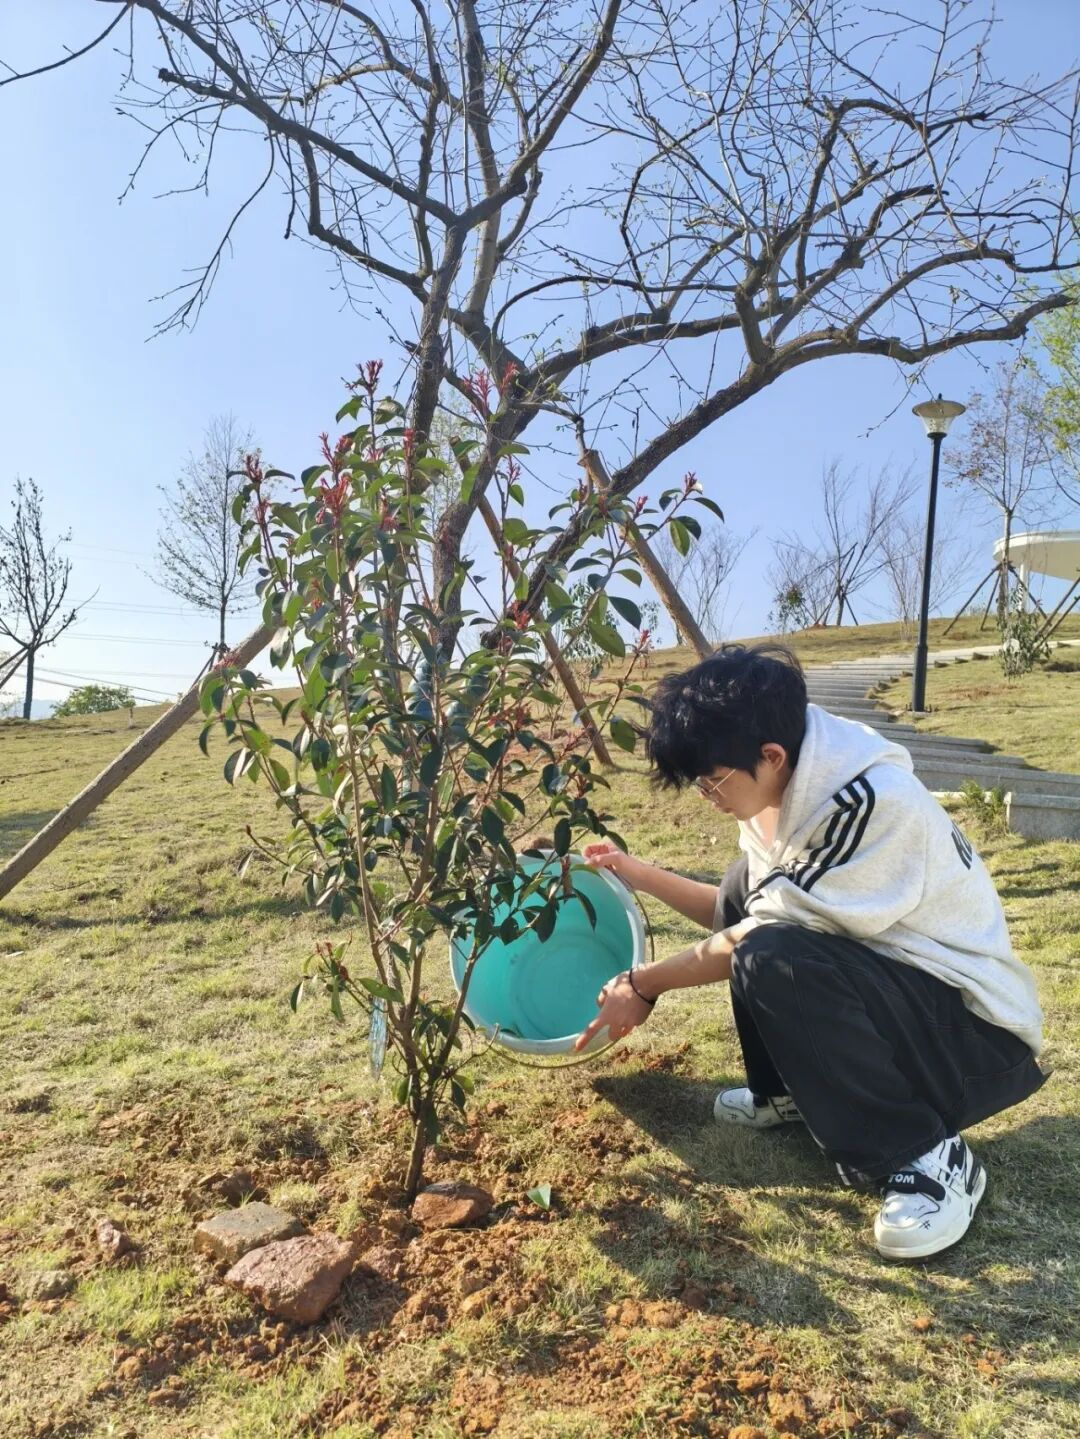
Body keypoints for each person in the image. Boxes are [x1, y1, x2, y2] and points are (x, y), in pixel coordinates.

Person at [574, 643, 1045, 1261]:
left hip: (975, 1043)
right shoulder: (791, 783)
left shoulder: (867, 803)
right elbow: (738, 910)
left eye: (712, 780)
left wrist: (643, 984)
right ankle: (790, 1094)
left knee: (773, 955)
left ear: (770, 756)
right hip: (910, 1003)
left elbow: (753, 939)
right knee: (745, 887)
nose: (706, 795)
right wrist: (637, 874)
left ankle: (925, 1153)